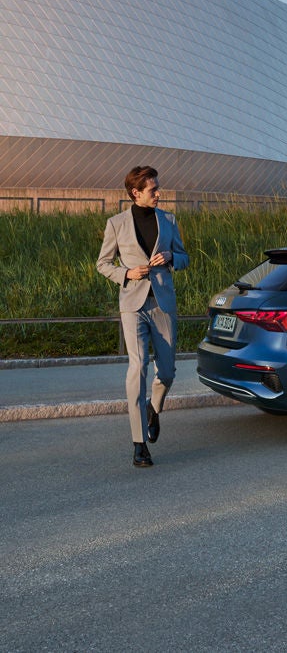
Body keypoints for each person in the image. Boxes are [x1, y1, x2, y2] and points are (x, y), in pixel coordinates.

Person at [97, 166, 190, 468]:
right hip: (133, 305)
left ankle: (154, 407)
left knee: (167, 372)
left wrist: (173, 258)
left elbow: (185, 258)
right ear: (136, 193)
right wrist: (126, 273)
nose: (159, 194)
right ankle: (139, 444)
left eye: (158, 188)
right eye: (153, 190)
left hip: (163, 304)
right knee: (137, 370)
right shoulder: (116, 224)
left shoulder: (169, 220)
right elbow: (103, 263)